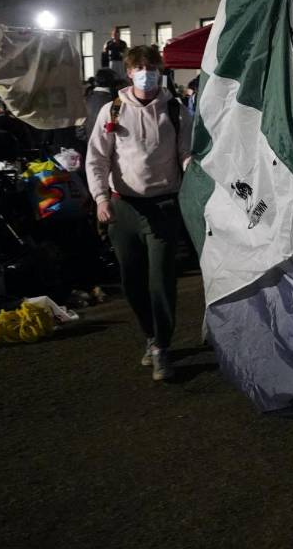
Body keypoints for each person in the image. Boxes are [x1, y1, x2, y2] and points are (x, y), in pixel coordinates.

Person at [85, 45, 192, 382]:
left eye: (153, 67)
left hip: (163, 206)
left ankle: (161, 345)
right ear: (129, 72)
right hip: (123, 207)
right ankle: (150, 335)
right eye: (140, 67)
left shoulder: (174, 109)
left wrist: (193, 178)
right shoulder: (113, 111)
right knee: (131, 282)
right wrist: (101, 199)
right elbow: (97, 158)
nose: (147, 73)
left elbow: (187, 153)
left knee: (161, 280)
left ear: (160, 71)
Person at [82, 68, 121, 143]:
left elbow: (79, 128)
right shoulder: (115, 101)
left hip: (90, 143)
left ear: (96, 82)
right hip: (109, 144)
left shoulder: (86, 99)